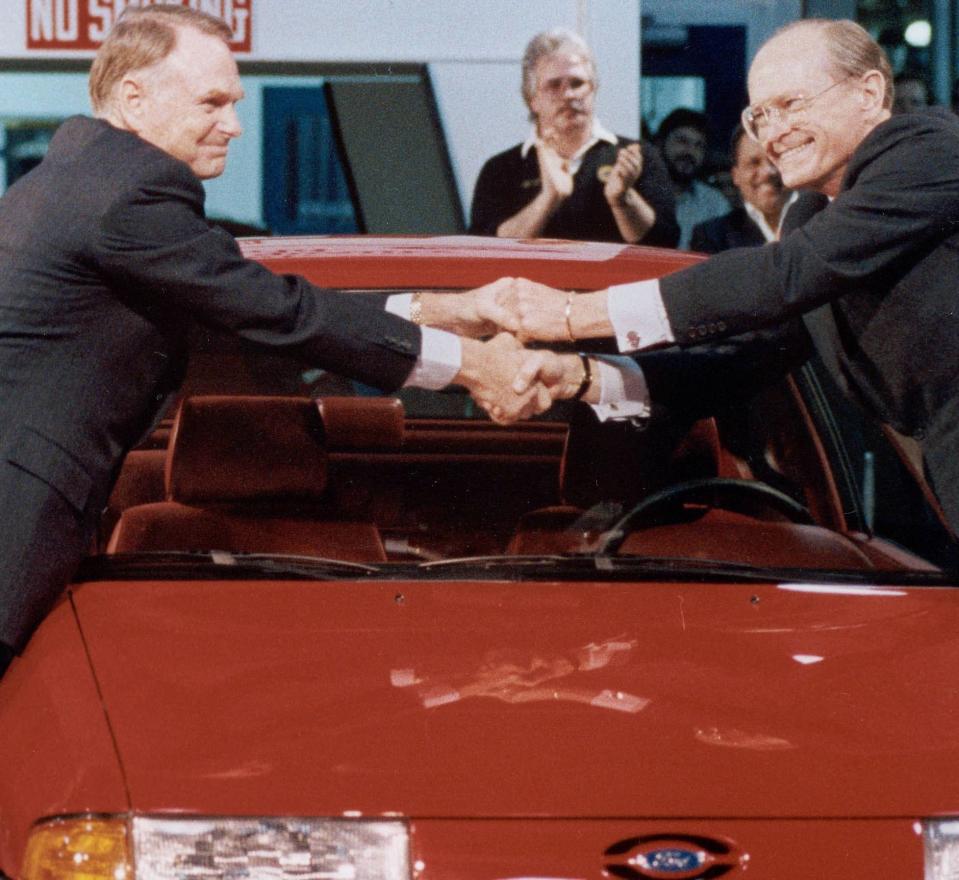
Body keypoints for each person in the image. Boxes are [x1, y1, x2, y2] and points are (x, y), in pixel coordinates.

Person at [0, 5, 560, 678]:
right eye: (212, 102)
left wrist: (448, 307)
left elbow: (246, 300)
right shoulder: (130, 197)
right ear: (133, 97)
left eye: (234, 102)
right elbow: (276, 312)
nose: (234, 124)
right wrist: (469, 365)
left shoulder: (74, 178)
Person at [480, 18, 959, 537]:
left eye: (792, 105)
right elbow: (748, 353)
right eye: (760, 116)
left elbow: (783, 274)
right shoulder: (812, 219)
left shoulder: (928, 149)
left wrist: (573, 315)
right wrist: (583, 376)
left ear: (869, 93)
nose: (774, 134)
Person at [468, 28, 678, 246]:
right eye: (554, 85)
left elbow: (666, 241)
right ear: (532, 99)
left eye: (577, 83)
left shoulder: (637, 157)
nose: (568, 95)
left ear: (594, 89)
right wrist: (549, 198)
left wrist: (623, 199)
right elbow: (484, 248)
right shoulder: (501, 169)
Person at [690, 123, 794, 253]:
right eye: (754, 163)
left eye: (775, 159)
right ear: (736, 175)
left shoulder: (818, 222)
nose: (768, 171)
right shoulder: (713, 236)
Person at [655, 108, 730, 249]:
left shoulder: (715, 203)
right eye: (682, 141)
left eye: (699, 146)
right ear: (660, 144)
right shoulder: (640, 196)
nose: (690, 152)